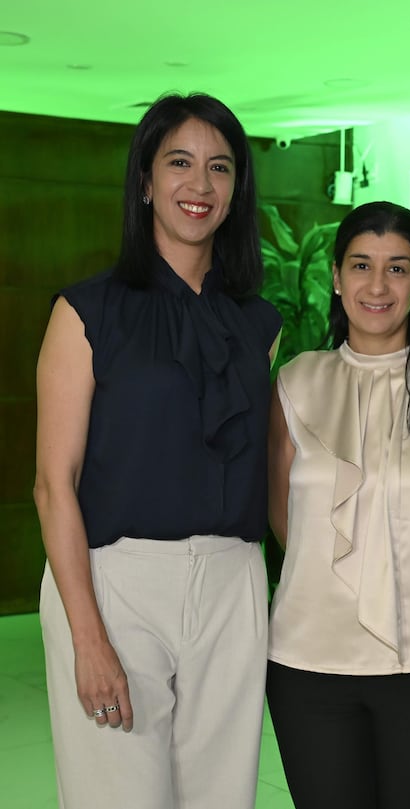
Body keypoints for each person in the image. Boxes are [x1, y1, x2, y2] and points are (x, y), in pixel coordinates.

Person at [33, 93, 281, 809]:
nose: (199, 186)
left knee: (222, 797)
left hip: (234, 584)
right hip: (117, 583)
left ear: (236, 191)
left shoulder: (259, 324)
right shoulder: (84, 311)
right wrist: (88, 636)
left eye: (219, 168)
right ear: (145, 181)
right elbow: (54, 483)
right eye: (179, 163)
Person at [266, 201, 410, 809]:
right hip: (310, 659)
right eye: (361, 265)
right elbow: (284, 516)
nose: (377, 285)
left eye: (397, 269)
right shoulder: (295, 382)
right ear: (337, 277)